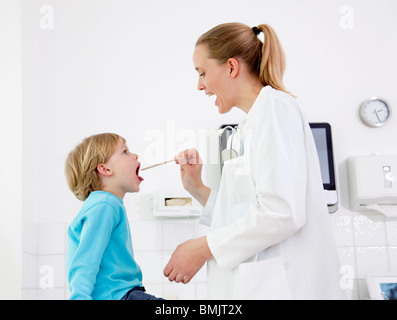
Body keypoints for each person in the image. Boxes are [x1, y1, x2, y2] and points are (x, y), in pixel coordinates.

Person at [163, 23, 346, 299]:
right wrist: (196, 188)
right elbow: (244, 212)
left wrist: (202, 248)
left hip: (288, 287)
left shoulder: (274, 109)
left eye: (202, 73)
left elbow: (282, 211)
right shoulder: (246, 127)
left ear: (232, 68)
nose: (200, 85)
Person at [65, 133, 163, 300]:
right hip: (119, 296)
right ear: (105, 169)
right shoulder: (105, 205)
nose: (135, 155)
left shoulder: (103, 205)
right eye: (125, 151)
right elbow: (85, 263)